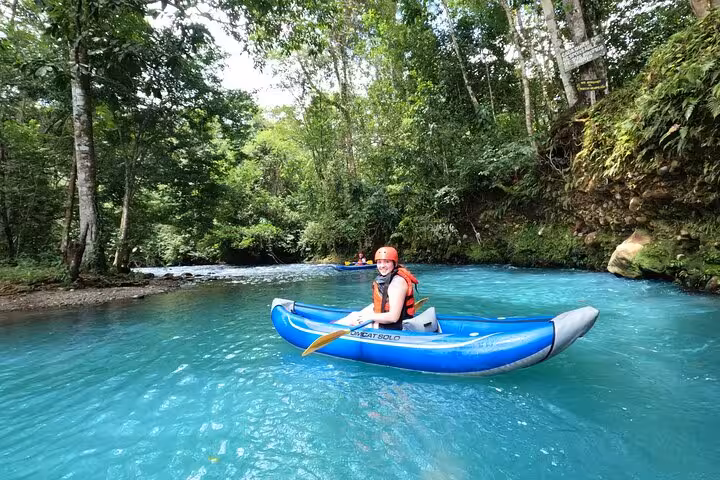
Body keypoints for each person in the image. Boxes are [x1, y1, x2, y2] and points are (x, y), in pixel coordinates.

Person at [336, 246, 418, 330]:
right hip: (391, 322)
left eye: (387, 262)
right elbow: (381, 302)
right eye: (379, 262)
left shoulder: (396, 284)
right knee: (354, 315)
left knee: (353, 320)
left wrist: (368, 317)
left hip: (395, 327)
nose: (382, 266)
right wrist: (363, 314)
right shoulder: (389, 276)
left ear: (394, 263)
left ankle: (331, 329)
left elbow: (393, 317)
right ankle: (333, 327)